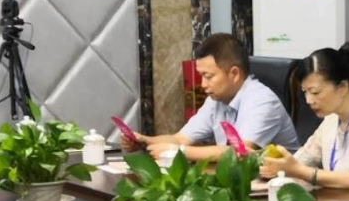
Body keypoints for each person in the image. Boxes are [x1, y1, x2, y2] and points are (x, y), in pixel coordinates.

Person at [122, 33, 299, 162]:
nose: (203, 84)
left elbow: (239, 152)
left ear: (234, 74)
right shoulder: (216, 100)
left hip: (281, 186)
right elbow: (180, 139)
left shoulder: (262, 101)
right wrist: (145, 141)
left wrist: (179, 151)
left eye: (208, 76)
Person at [260, 43, 349, 199]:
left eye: (315, 92)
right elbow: (301, 161)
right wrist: (275, 164)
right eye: (305, 92)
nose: (308, 100)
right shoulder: (331, 119)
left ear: (343, 87)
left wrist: (300, 171)